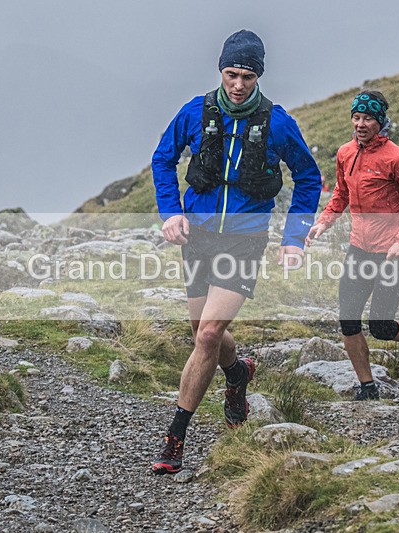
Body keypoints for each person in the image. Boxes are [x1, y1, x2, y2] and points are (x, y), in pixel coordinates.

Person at [150, 29, 321, 474]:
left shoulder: (277, 123)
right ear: (220, 71)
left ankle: (175, 437)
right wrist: (171, 212)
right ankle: (238, 372)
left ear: (258, 76)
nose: (238, 84)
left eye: (247, 76)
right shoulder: (196, 111)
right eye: (231, 74)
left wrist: (294, 237)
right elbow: (162, 159)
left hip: (244, 239)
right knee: (202, 333)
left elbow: (308, 178)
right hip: (198, 235)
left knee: (208, 334)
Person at [306, 90, 399, 401]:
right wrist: (324, 222)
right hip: (359, 248)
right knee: (348, 320)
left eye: (368, 118)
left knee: (381, 326)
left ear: (380, 122)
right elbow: (341, 194)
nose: (360, 124)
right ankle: (367, 386)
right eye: (356, 117)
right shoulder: (345, 153)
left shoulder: (396, 158)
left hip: (392, 253)